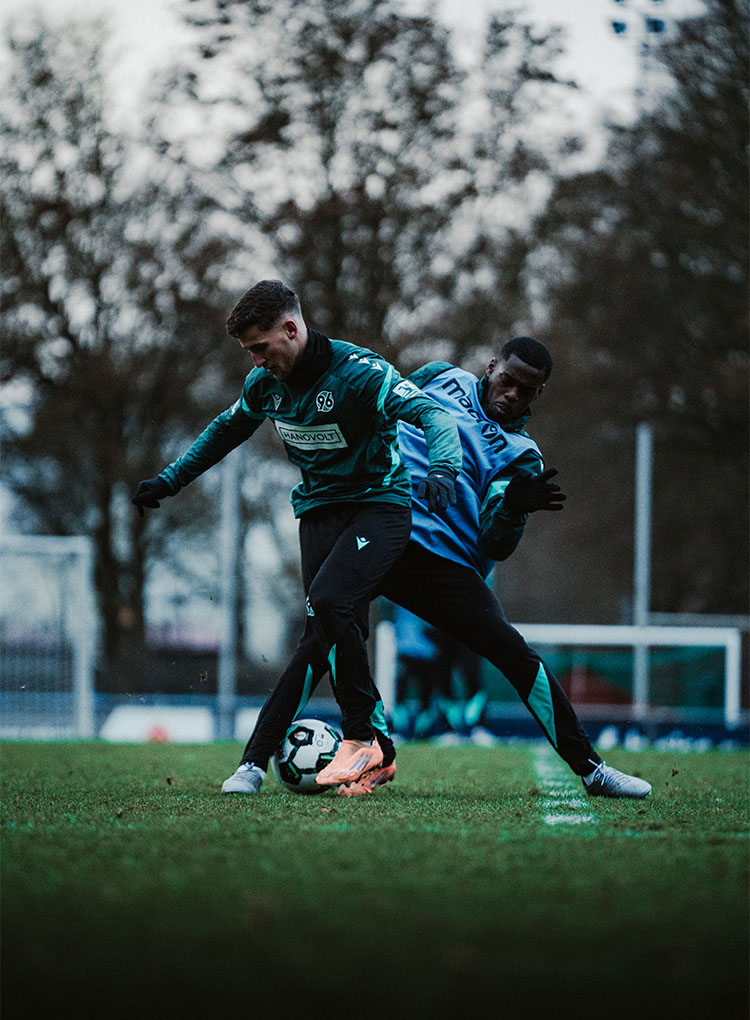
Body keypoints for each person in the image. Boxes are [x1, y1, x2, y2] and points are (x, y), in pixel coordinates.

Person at [219, 334, 651, 800]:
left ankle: (593, 770)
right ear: (490, 367)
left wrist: (513, 509)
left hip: (442, 566)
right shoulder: (440, 377)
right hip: (382, 526)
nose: (512, 395)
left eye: (526, 391)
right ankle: (253, 765)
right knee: (318, 638)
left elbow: (495, 544)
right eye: (507, 381)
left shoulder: (522, 455)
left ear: (538, 394)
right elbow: (386, 407)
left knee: (514, 654)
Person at [132, 279, 462, 790]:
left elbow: (432, 412)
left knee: (329, 602)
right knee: (322, 634)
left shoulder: (360, 374)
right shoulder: (264, 385)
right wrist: (169, 480)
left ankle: (359, 740)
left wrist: (443, 468)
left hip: (379, 507)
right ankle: (275, 760)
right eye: (248, 353)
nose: (256, 361)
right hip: (319, 514)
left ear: (290, 329)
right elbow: (225, 431)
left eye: (260, 348)